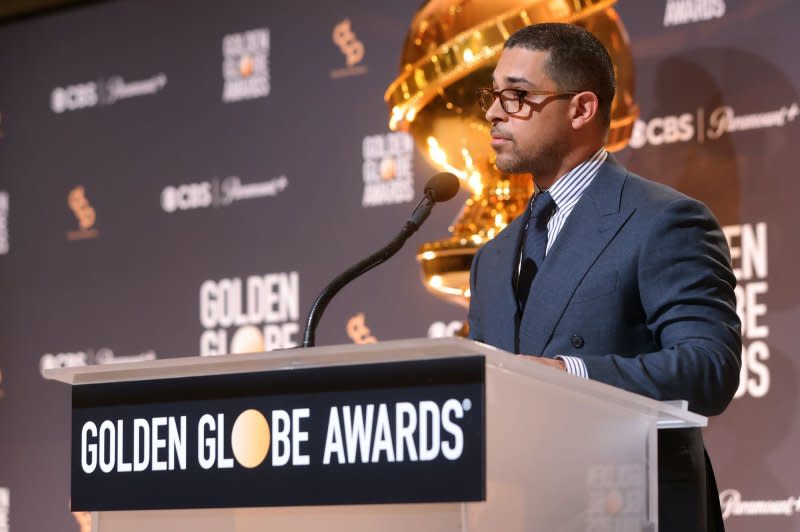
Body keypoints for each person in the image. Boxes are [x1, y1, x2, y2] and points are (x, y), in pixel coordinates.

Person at [468, 23, 741, 532]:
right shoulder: (492, 256)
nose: (493, 112)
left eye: (518, 96)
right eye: (493, 94)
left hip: (630, 509)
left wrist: (571, 376)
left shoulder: (664, 220)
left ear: (581, 109)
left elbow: (709, 368)